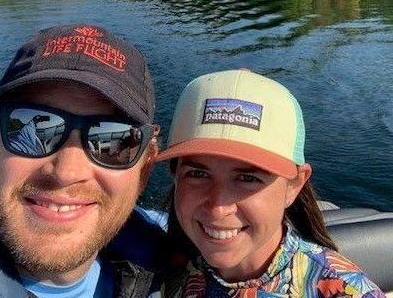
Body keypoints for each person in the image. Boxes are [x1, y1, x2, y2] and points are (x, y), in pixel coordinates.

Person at [0, 23, 164, 297]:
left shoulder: (177, 258)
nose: (66, 172)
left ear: (143, 172)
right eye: (30, 126)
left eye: (114, 140)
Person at [155, 69, 385, 297]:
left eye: (247, 178)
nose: (218, 207)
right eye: (198, 174)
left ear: (294, 185)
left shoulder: (344, 292)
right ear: (176, 176)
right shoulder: (157, 257)